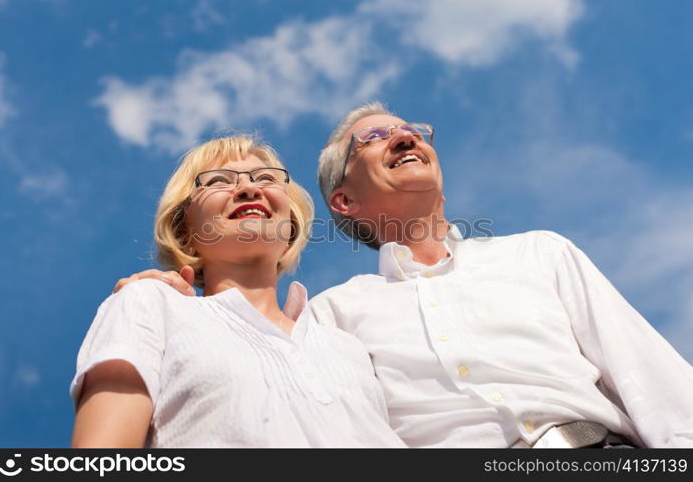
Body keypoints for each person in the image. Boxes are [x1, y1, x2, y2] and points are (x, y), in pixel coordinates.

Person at [115, 104, 693, 448]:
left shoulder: (541, 254)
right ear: (343, 200)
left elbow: (663, 391)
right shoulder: (329, 317)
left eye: (414, 129)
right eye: (374, 137)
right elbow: (266, 374)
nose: (406, 136)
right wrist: (175, 297)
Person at [70, 135, 404, 448]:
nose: (248, 189)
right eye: (218, 181)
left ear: (291, 222)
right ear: (184, 226)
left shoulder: (347, 346)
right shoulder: (150, 303)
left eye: (265, 179)